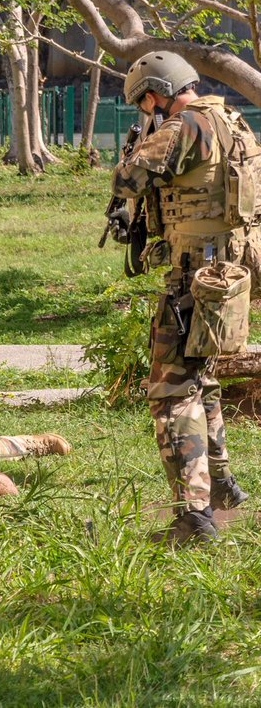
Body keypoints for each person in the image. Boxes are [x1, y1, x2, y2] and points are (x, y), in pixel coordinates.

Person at [109, 50, 254, 545]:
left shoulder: (184, 126)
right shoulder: (230, 118)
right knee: (201, 380)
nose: (144, 112)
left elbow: (127, 179)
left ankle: (194, 518)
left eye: (143, 104)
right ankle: (221, 484)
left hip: (192, 279)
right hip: (225, 274)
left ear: (154, 95)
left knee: (171, 393)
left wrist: (137, 146)